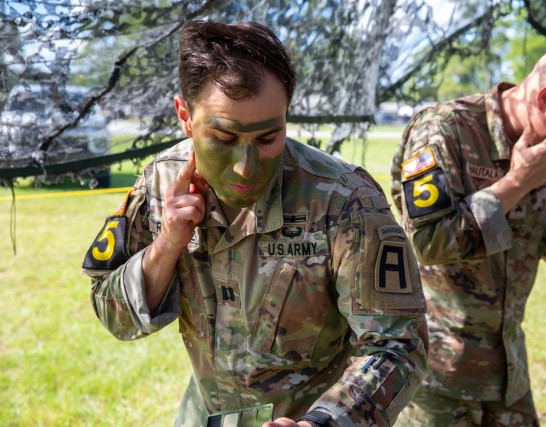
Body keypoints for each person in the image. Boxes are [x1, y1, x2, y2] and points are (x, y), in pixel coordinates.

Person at [82, 20, 428, 427]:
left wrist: (327, 420)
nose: (246, 168)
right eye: (225, 139)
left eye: (268, 138)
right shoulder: (159, 184)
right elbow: (114, 316)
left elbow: (398, 344)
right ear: (184, 116)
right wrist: (166, 246)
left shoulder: (344, 200)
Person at [390, 41, 546, 426]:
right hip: (437, 377)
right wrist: (517, 182)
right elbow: (427, 243)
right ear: (545, 96)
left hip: (508, 373)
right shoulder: (444, 129)